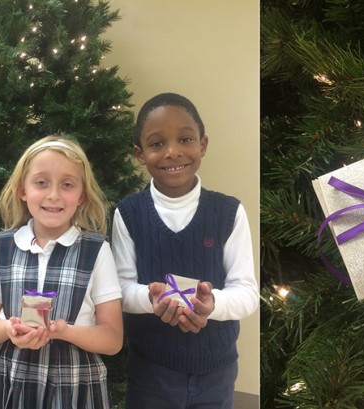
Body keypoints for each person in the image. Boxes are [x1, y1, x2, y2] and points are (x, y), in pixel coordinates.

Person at [112, 92, 259, 409]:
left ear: (203, 145)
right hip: (151, 372)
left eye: (185, 139)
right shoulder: (128, 213)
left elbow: (246, 291)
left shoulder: (228, 212)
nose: (172, 152)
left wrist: (211, 305)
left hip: (215, 373)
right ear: (139, 153)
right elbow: (121, 289)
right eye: (156, 144)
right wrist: (151, 300)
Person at [0, 136, 122, 408]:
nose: (54, 195)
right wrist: (9, 327)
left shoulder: (96, 251)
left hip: (74, 387)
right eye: (41, 183)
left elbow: (112, 339)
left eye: (67, 185)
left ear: (81, 194)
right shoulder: (3, 246)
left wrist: (64, 331)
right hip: (10, 383)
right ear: (22, 190)